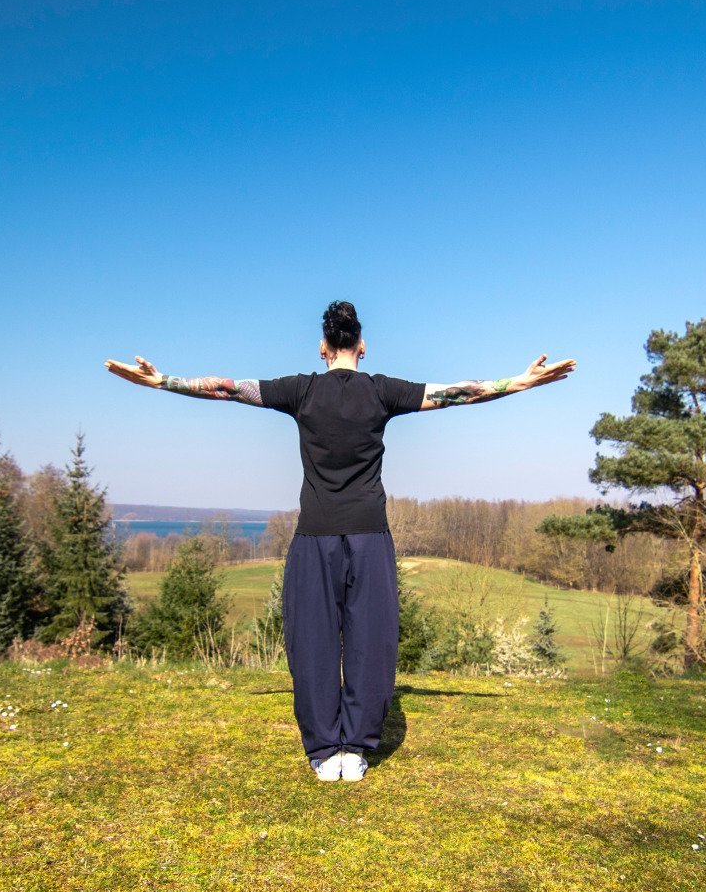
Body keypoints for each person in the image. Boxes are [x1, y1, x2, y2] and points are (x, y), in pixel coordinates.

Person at [105, 300, 575, 782]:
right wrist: (518, 382)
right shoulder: (383, 392)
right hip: (370, 534)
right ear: (362, 347)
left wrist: (163, 381)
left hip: (315, 536)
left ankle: (325, 751)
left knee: (312, 642)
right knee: (372, 641)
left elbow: (227, 389)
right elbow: (458, 393)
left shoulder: (300, 390)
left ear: (323, 348)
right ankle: (355, 749)